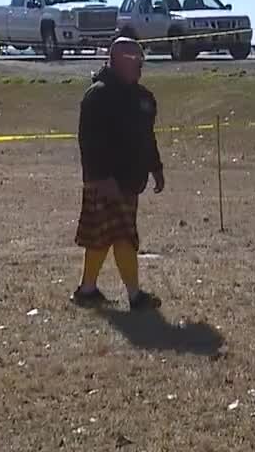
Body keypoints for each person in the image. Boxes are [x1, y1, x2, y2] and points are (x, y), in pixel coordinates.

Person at [72, 37, 165, 310]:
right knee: (121, 235)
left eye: (141, 60)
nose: (140, 66)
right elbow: (89, 143)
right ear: (118, 61)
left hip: (130, 180)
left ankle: (87, 289)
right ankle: (134, 296)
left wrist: (156, 167)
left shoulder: (143, 98)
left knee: (106, 237)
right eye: (135, 60)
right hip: (105, 181)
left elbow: (148, 137)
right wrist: (101, 178)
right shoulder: (98, 96)